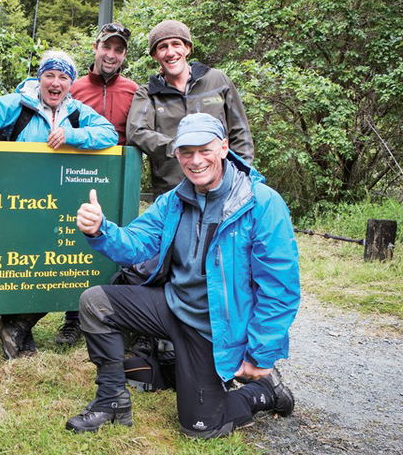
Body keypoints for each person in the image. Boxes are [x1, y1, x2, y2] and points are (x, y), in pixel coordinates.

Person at [66, 113, 297, 437]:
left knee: (202, 428)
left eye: (205, 150)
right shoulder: (174, 201)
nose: (196, 160)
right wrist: (100, 229)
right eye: (187, 152)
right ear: (177, 155)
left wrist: (261, 354)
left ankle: (265, 392)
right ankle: (111, 401)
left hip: (214, 329)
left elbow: (280, 287)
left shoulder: (260, 204)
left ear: (224, 148)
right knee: (95, 303)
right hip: (173, 308)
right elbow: (135, 244)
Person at [0, 50, 117, 359]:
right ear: (39, 78)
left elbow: (108, 133)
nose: (55, 83)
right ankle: (15, 326)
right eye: (50, 75)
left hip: (58, 202)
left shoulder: (76, 111)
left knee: (59, 263)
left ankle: (15, 326)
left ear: (71, 83)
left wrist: (73, 135)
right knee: (19, 262)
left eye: (63, 77)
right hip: (17, 200)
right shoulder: (19, 104)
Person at [54, 23, 140, 348]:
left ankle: (114, 313)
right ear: (96, 47)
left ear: (123, 55)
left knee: (118, 245)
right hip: (76, 174)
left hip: (117, 177)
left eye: (118, 50)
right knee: (73, 242)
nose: (111, 55)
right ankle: (72, 318)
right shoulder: (72, 87)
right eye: (107, 47)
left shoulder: (134, 90)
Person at [127, 19, 255, 196]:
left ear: (187, 48)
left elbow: (240, 131)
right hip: (172, 190)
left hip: (222, 186)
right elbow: (136, 132)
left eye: (176, 44)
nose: (170, 52)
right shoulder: (147, 94)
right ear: (155, 55)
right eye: (162, 47)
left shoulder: (217, 81)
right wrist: (179, 148)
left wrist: (243, 174)